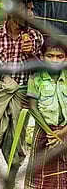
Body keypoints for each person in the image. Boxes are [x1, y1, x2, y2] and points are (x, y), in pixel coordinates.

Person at [0, 0, 43, 189]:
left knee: (16, 139)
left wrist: (32, 54)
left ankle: (11, 179)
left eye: (32, 8)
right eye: (27, 9)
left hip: (21, 94)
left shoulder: (36, 37)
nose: (31, 13)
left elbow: (41, 69)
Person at [25, 38, 67, 189]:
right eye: (50, 56)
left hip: (65, 130)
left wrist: (63, 132)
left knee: (62, 172)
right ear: (42, 57)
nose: (54, 60)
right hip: (44, 132)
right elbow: (32, 107)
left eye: (60, 57)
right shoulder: (36, 78)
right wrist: (51, 133)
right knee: (39, 172)